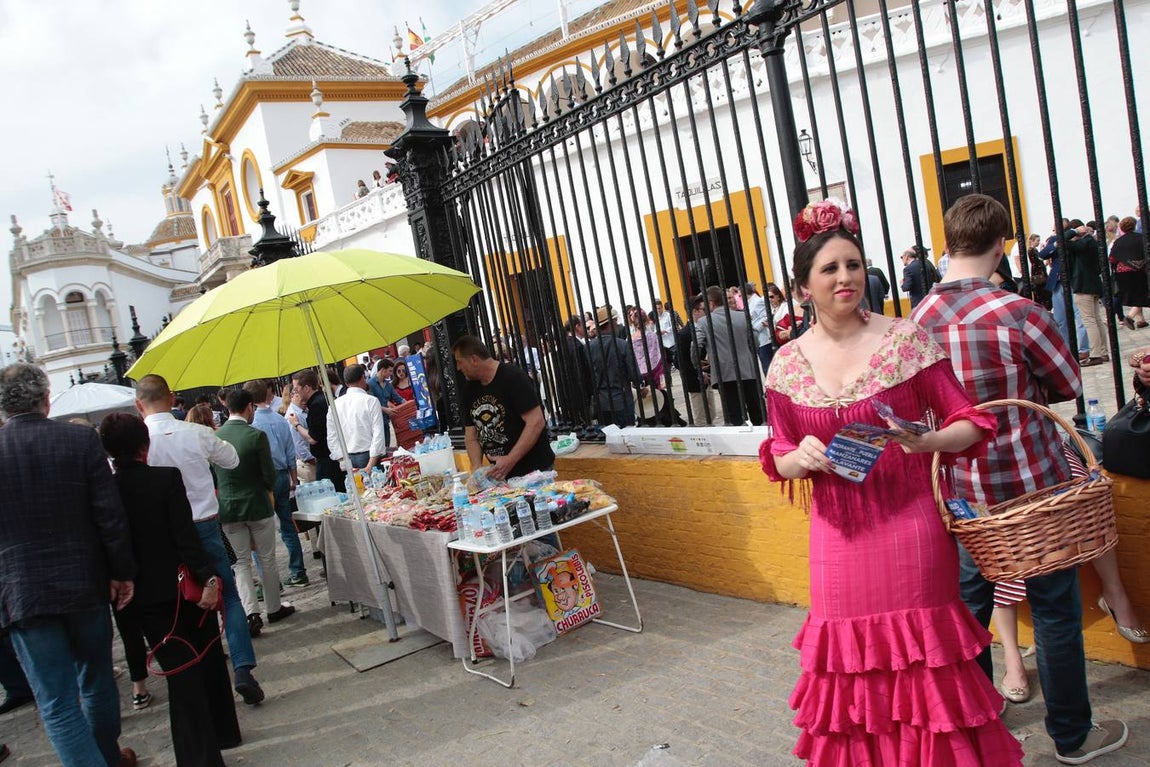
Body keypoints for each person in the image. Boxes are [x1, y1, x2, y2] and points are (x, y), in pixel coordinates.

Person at [761, 202, 1021, 765]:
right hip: (836, 537)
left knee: (926, 663)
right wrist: (798, 457)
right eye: (829, 269)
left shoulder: (906, 340)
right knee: (849, 665)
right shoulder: (785, 364)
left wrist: (927, 443)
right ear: (804, 286)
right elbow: (776, 452)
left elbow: (970, 420)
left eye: (853, 265)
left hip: (911, 527)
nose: (846, 278)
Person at [913, 193, 1128, 764]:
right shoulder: (1020, 313)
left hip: (962, 497)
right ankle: (1072, 735)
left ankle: (980, 719)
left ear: (949, 243)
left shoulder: (914, 322)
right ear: (1001, 244)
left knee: (968, 611)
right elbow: (1067, 387)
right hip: (1033, 488)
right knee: (1055, 610)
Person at [0, 363, 140, 767]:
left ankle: (103, 758)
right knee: (95, 680)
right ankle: (107, 757)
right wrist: (121, 571)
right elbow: (109, 514)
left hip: (23, 593)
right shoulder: (78, 441)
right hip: (83, 583)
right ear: (45, 398)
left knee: (58, 702)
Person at [98, 414, 240, 766]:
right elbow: (185, 536)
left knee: (181, 671)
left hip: (144, 594)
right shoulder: (164, 479)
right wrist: (207, 576)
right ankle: (220, 735)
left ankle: (201, 752)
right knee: (204, 658)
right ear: (144, 446)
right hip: (184, 583)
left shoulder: (107, 490)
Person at [134, 374, 265, 706]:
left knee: (179, 601)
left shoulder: (141, 440)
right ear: (171, 397)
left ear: (139, 405)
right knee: (229, 596)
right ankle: (243, 669)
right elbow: (231, 460)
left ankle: (199, 673)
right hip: (203, 522)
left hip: (163, 533)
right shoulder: (195, 432)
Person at [215, 389, 296, 636]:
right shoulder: (255, 436)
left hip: (229, 508)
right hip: (257, 504)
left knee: (240, 563)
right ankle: (273, 607)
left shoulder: (216, 436)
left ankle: (251, 613)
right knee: (267, 558)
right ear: (249, 407)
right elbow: (269, 474)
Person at [453, 335, 555, 480]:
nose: (458, 368)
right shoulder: (469, 390)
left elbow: (536, 422)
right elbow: (471, 436)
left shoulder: (513, 377)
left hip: (534, 472)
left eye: (459, 362)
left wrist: (510, 459)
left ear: (474, 360)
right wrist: (476, 467)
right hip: (500, 478)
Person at [244, 379, 307, 588]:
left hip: (263, 478)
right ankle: (298, 571)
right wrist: (293, 477)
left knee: (262, 532)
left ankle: (270, 582)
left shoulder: (252, 425)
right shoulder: (280, 419)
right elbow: (290, 452)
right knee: (287, 525)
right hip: (282, 475)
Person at [694, 286, 765, 426]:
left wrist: (698, 365)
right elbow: (755, 340)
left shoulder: (703, 322)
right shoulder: (742, 316)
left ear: (712, 303)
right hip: (748, 369)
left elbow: (696, 347)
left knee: (734, 414)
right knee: (758, 411)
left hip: (724, 372)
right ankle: (763, 440)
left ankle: (741, 443)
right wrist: (748, 353)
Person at [586, 306, 645, 428]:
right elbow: (633, 373)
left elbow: (587, 374)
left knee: (610, 436)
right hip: (621, 399)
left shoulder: (589, 347)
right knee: (627, 435)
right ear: (611, 323)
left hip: (601, 402)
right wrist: (640, 385)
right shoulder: (622, 345)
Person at [288, 370, 343, 493]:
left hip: (327, 460)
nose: (295, 392)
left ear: (307, 388)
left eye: (297, 388)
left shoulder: (317, 405)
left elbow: (313, 438)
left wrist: (296, 424)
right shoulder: (321, 399)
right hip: (331, 456)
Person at [1066, 219, 1110, 366]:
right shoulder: (1091, 242)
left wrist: (1073, 232)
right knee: (1096, 319)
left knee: (1090, 320)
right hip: (1094, 284)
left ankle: (1096, 354)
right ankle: (1102, 352)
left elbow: (1061, 241)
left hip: (1083, 285)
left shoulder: (1082, 244)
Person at [327, 364, 387, 472]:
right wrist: (370, 465)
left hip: (348, 456)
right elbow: (378, 434)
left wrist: (342, 460)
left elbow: (332, 437)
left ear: (346, 383)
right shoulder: (371, 401)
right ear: (363, 378)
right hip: (367, 455)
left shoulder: (334, 405)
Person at [678, 295, 717, 425]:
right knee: (701, 416)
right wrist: (699, 373)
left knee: (712, 413)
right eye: (704, 310)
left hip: (708, 377)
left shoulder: (705, 327)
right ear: (695, 311)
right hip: (695, 381)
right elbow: (681, 361)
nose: (708, 312)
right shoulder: (684, 334)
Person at [1110, 217, 1148, 329]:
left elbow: (1112, 258)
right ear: (1134, 225)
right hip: (1140, 271)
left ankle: (1141, 320)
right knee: (1142, 295)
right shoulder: (1142, 238)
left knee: (1135, 295)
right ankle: (1130, 317)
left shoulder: (1118, 242)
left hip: (1123, 274)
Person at [367, 359, 405, 448]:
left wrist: (409, 404)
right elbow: (371, 404)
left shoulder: (388, 385)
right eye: (390, 371)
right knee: (379, 447)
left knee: (387, 446)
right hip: (375, 422)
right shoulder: (370, 384)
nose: (391, 373)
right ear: (383, 370)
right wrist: (386, 410)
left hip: (386, 420)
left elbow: (398, 398)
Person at [745, 282, 774, 373]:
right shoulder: (750, 302)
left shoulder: (758, 301)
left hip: (764, 339)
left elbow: (766, 317)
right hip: (759, 339)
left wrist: (754, 329)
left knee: (768, 367)